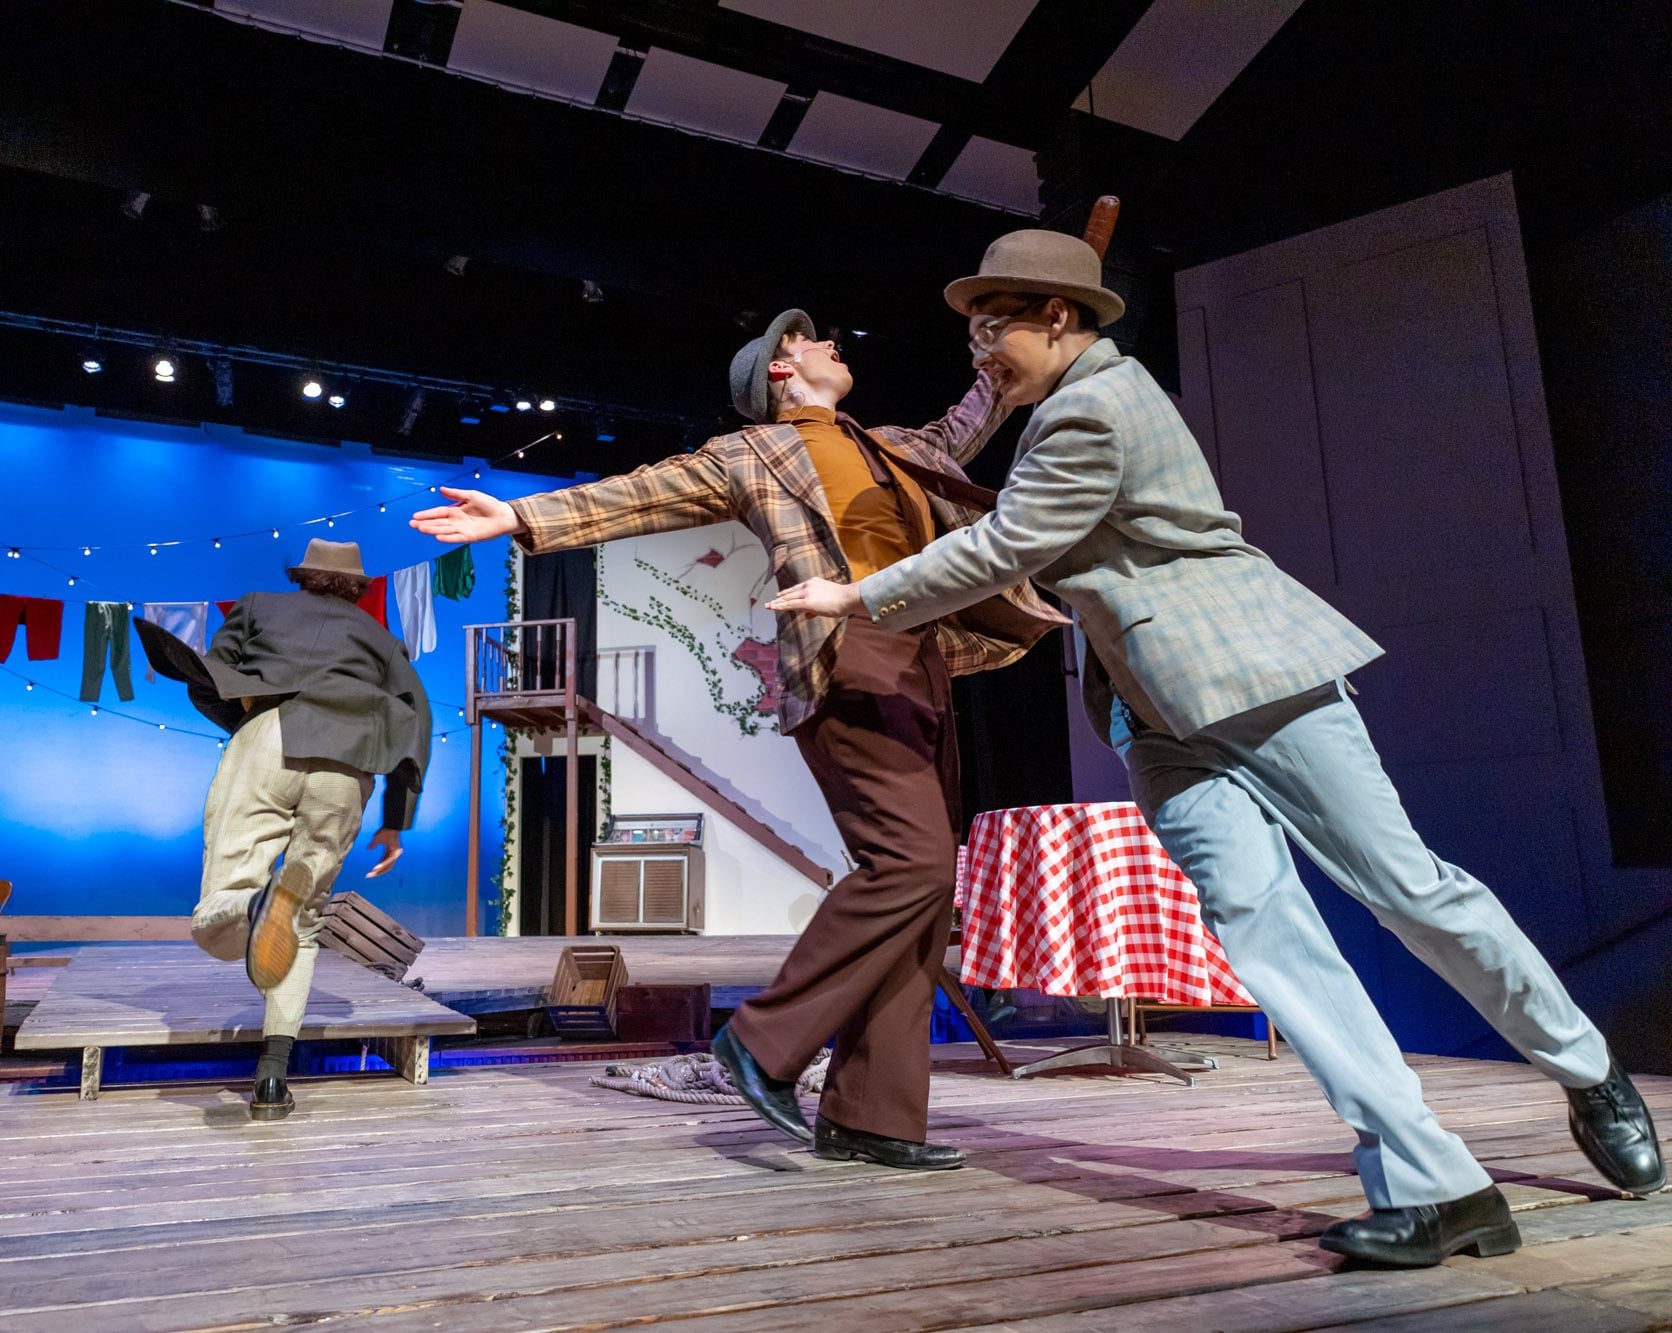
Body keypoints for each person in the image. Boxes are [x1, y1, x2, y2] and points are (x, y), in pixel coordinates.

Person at [769, 228, 1663, 1264]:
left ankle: (1584, 1065)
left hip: (1252, 676)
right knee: (1262, 930)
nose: (977, 350)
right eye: (969, 330)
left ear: (1056, 318)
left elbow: (1008, 545)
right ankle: (1432, 1180)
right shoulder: (1050, 408)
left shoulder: (1095, 406)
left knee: (1409, 890)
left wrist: (856, 593)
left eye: (991, 327)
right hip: (1155, 714)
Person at [412, 312, 1065, 1169]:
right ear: (782, 372)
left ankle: (875, 1113)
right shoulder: (752, 453)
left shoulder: (896, 444)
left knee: (923, 894)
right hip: (847, 659)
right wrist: (521, 518)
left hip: (922, 659)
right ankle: (759, 1044)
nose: (833, 341)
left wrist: (1011, 356)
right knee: (909, 865)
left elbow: (975, 416)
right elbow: (639, 493)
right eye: (811, 338)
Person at [136, 538, 429, 1120]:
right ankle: (271, 1079)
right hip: (349, 762)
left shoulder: (256, 605)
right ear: (358, 586)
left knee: (224, 898)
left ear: (303, 574)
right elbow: (416, 721)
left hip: (271, 737)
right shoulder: (382, 640)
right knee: (303, 923)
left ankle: (251, 910)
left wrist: (244, 722)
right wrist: (396, 821)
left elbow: (214, 672)